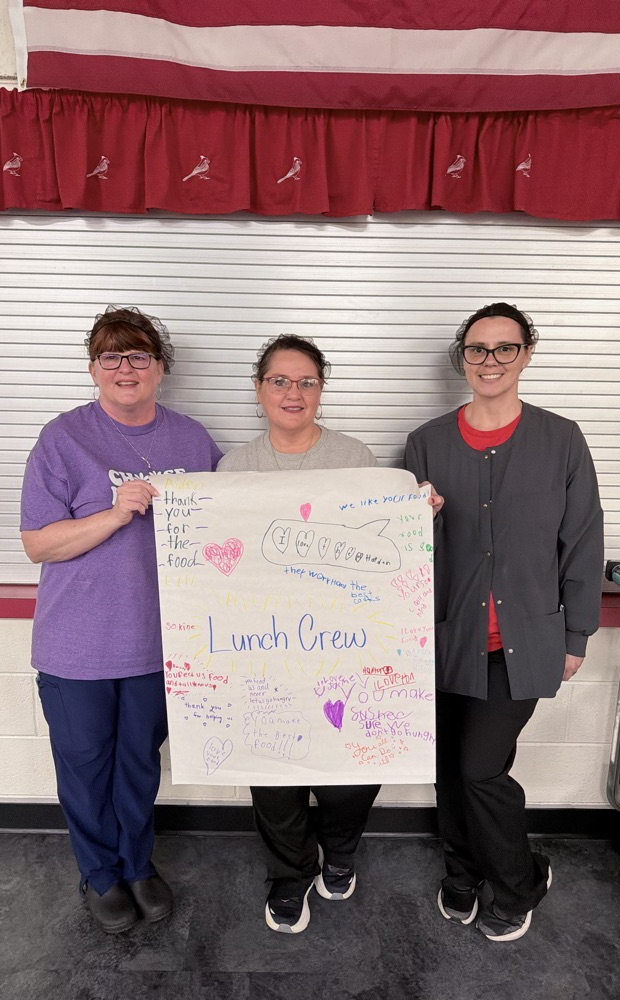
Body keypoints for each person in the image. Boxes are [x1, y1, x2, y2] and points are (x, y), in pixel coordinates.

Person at [404, 302, 604, 942]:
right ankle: (461, 876)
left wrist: (576, 636)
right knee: (449, 765)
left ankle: (519, 881)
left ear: (526, 354)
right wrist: (422, 519)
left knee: (481, 768)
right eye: (477, 349)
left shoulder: (561, 438)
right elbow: (397, 550)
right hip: (443, 641)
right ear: (462, 358)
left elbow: (582, 541)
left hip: (522, 644)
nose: (489, 361)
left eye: (504, 348)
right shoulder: (427, 442)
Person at [21, 306, 221, 934]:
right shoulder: (62, 438)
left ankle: (137, 863)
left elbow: (234, 522)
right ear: (93, 369)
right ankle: (100, 874)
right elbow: (37, 544)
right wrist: (113, 513)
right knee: (85, 763)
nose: (125, 368)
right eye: (111, 357)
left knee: (138, 762)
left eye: (138, 356)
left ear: (161, 369)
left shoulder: (192, 441)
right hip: (75, 646)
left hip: (159, 644)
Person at [218, 333, 382, 934]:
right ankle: (290, 873)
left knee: (351, 766)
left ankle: (339, 851)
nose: (294, 392)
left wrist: (416, 516)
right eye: (280, 381)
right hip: (263, 649)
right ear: (259, 390)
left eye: (306, 381)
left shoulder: (357, 457)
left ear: (321, 389)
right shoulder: (234, 467)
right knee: (275, 769)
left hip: (346, 644)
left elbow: (375, 547)